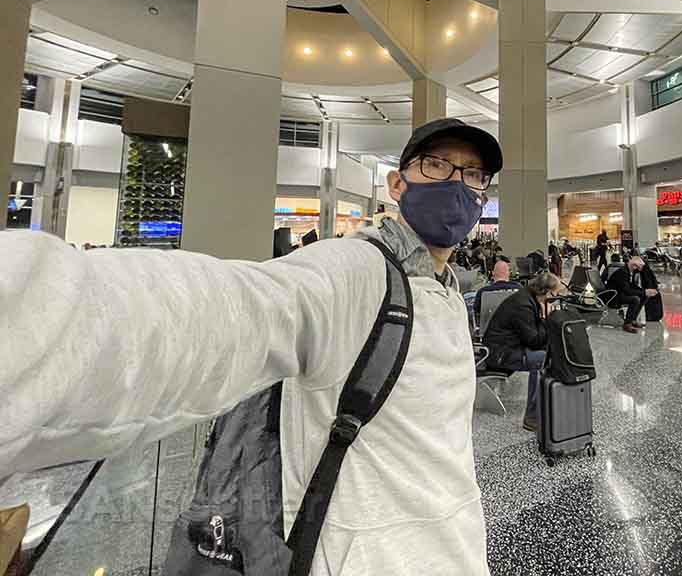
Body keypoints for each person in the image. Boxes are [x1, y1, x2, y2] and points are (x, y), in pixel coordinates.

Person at [0, 117, 503, 575]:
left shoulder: (449, 291)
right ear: (398, 184)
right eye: (437, 165)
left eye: (473, 174)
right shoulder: (358, 271)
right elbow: (217, 311)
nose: (457, 183)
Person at [482, 271, 559, 431]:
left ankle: (543, 408)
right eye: (554, 294)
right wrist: (546, 319)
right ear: (545, 291)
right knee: (542, 360)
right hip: (500, 355)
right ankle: (532, 418)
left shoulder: (528, 298)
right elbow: (534, 341)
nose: (554, 299)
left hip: (507, 348)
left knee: (547, 355)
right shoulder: (523, 305)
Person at [605, 256, 655, 333]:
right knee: (635, 299)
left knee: (644, 296)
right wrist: (644, 292)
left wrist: (645, 291)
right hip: (613, 297)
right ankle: (627, 324)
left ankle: (633, 320)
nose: (637, 271)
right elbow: (627, 291)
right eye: (637, 269)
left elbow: (631, 286)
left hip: (619, 294)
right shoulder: (623, 272)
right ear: (634, 266)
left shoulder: (627, 271)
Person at [471, 258, 520, 322]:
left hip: (489, 329)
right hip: (515, 329)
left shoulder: (483, 292)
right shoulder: (519, 289)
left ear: (493, 273)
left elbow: (476, 313)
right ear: (508, 273)